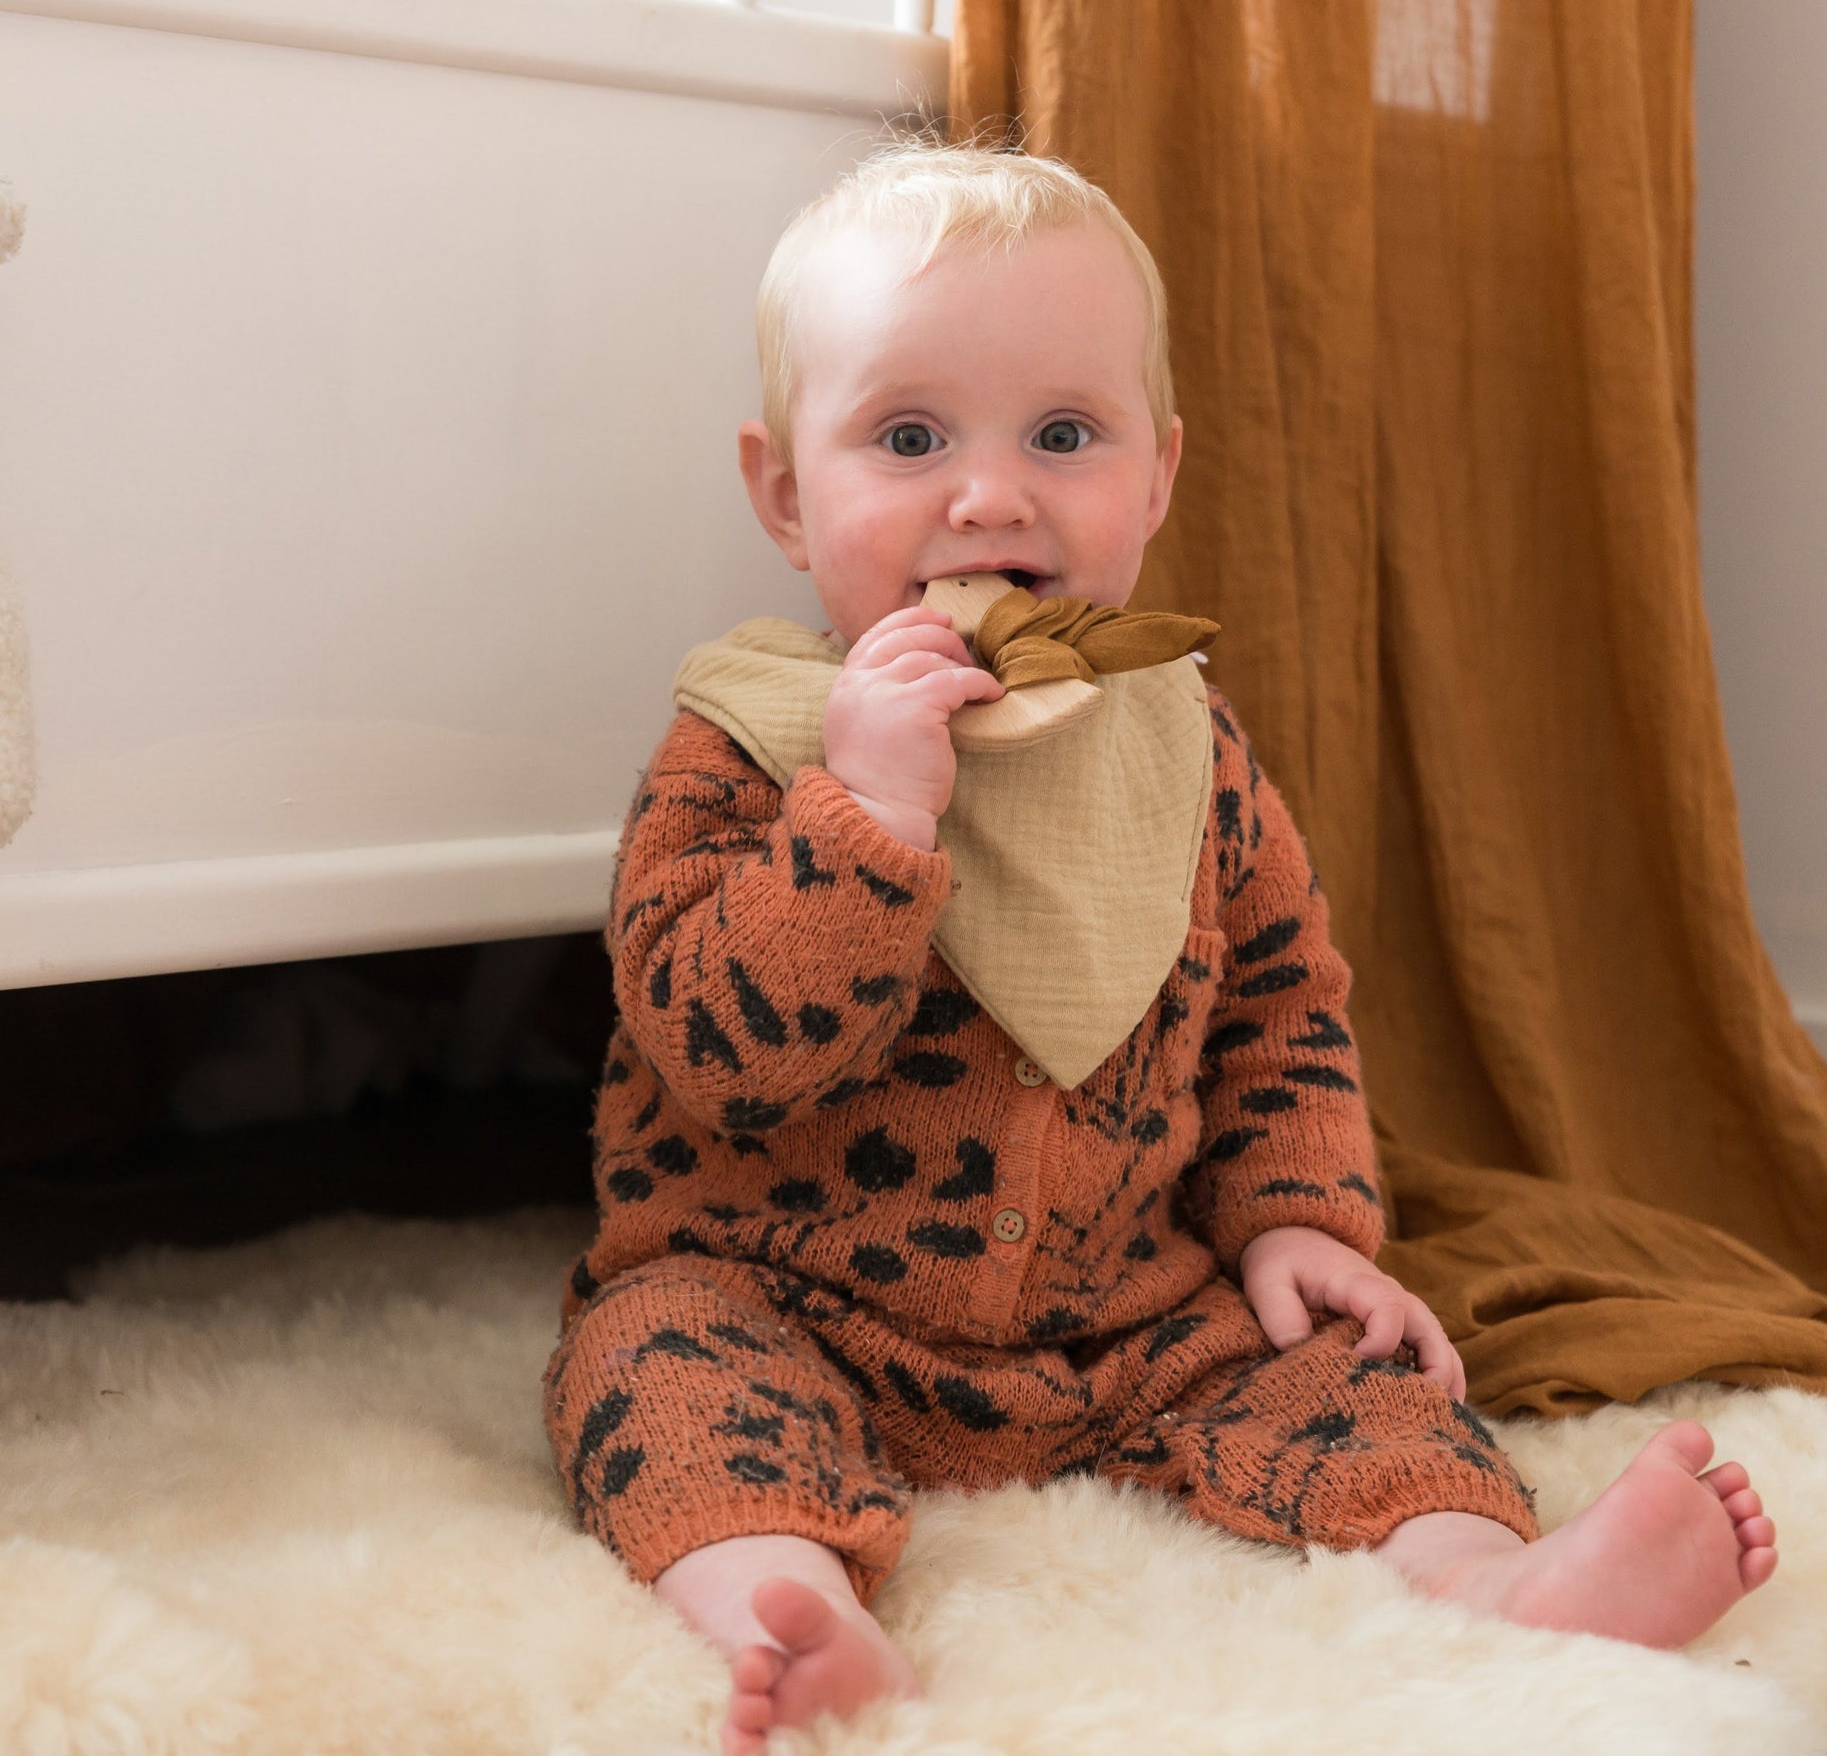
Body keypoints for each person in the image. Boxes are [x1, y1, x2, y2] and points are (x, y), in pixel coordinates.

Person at [542, 137, 1777, 1756]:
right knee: (652, 1374)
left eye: (1063, 433)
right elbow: (713, 1050)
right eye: (907, 437)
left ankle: (1495, 1578)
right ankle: (797, 1615)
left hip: (1121, 1315)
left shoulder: (1182, 750)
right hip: (786, 1290)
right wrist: (867, 812)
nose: (989, 494)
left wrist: (1294, 1218)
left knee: (1344, 1376)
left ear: (1156, 475)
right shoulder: (746, 742)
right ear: (786, 493)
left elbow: (1281, 1014)